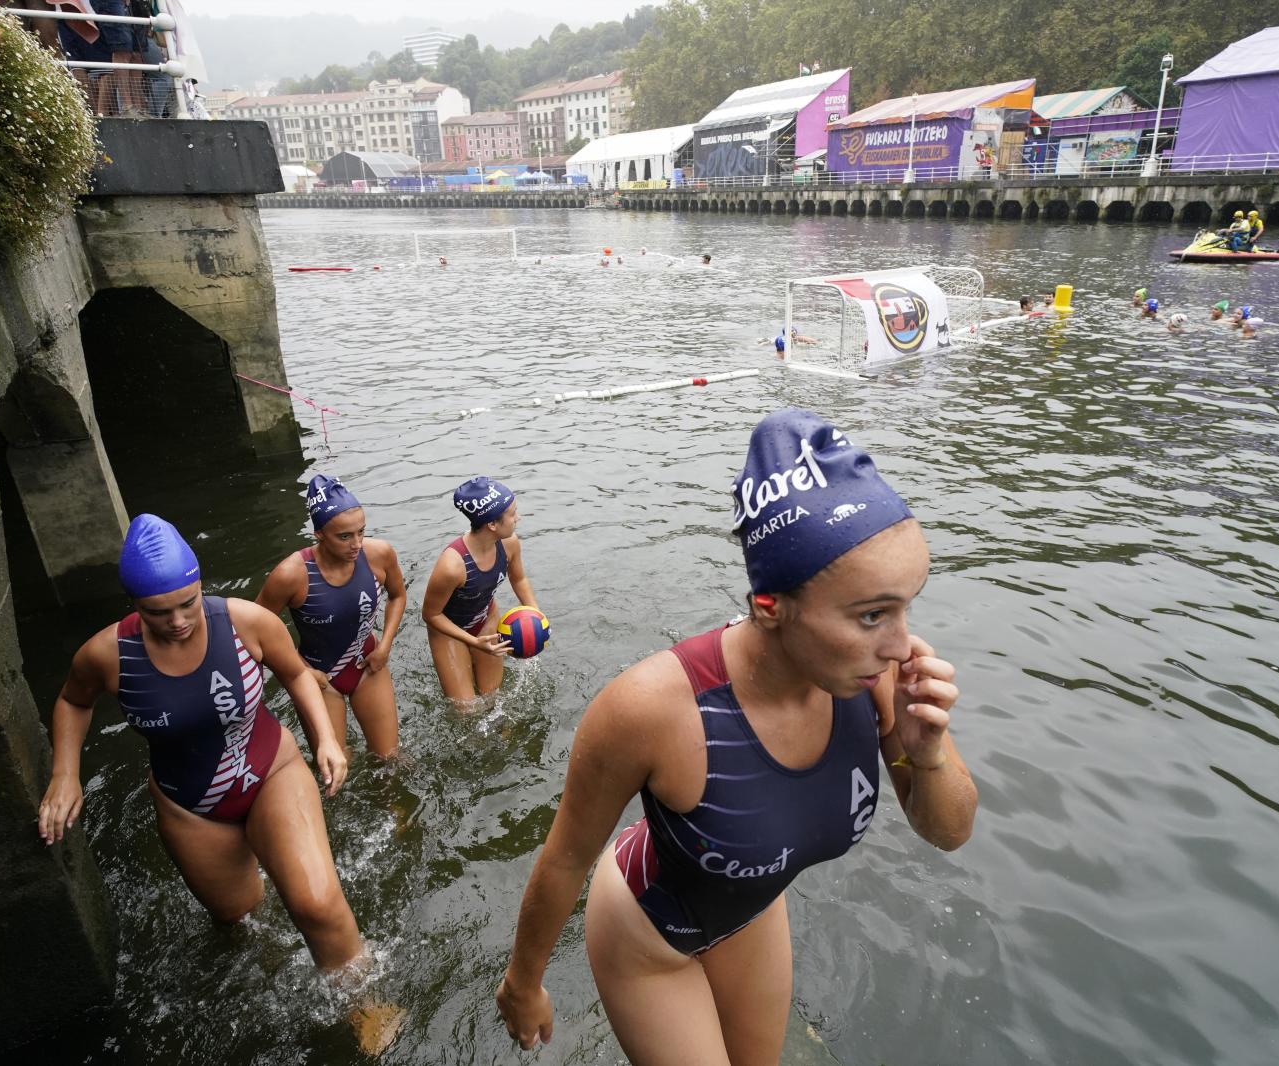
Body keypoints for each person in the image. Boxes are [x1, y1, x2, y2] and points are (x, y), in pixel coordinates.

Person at [495, 409, 978, 1062]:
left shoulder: (877, 676)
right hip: (648, 936)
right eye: (872, 615)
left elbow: (948, 832)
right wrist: (523, 986)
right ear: (770, 608)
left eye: (905, 606)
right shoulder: (650, 710)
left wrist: (928, 754)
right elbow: (564, 859)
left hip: (751, 912)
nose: (901, 644)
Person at [38, 515, 365, 968]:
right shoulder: (107, 654)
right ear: (134, 603)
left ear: (200, 586)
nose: (177, 621)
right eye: (157, 612)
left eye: (188, 604)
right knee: (240, 922)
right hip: (190, 808)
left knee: (318, 905)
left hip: (272, 773)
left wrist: (325, 739)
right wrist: (65, 773)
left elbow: (297, 675)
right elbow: (73, 702)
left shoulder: (245, 621)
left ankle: (366, 1001)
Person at [256, 475, 408, 761]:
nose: (357, 544)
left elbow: (398, 596)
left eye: (361, 532)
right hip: (318, 677)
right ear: (319, 534)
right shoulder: (291, 575)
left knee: (390, 759)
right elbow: (254, 634)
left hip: (367, 664)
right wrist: (301, 671)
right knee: (336, 769)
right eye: (345, 536)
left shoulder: (379, 554)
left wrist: (385, 646)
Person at [421, 478, 542, 706]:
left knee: (493, 698)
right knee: (467, 709)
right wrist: (474, 642)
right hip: (448, 631)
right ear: (492, 524)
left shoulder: (509, 543)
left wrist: (536, 613)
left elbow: (519, 579)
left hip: (485, 618)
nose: (518, 518)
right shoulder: (452, 566)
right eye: (512, 514)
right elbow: (430, 615)